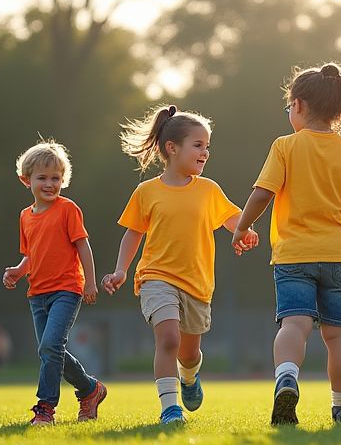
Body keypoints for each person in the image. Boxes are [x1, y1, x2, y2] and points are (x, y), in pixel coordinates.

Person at [232, 62, 341, 426]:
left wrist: (241, 227)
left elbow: (261, 194)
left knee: (294, 326)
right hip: (339, 256)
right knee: (339, 335)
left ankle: (286, 377)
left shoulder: (285, 147)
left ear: (298, 105)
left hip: (294, 255)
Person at [102, 105, 258, 425]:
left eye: (207, 146)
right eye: (198, 145)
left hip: (198, 284)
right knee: (169, 340)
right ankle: (169, 408)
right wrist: (121, 270)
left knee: (188, 354)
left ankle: (189, 377)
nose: (205, 152)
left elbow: (232, 218)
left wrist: (247, 231)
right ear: (172, 148)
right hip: (156, 276)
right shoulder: (146, 192)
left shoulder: (208, 189)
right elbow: (133, 235)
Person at [2, 140, 106, 426]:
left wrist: (90, 283)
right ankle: (89, 389)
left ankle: (45, 407)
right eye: (42, 178)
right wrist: (18, 271)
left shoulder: (68, 209)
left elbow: (83, 246)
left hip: (67, 289)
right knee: (50, 350)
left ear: (64, 180)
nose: (50, 184)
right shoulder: (25, 216)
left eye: (56, 178)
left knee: (50, 347)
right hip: (37, 294)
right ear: (27, 180)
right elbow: (31, 254)